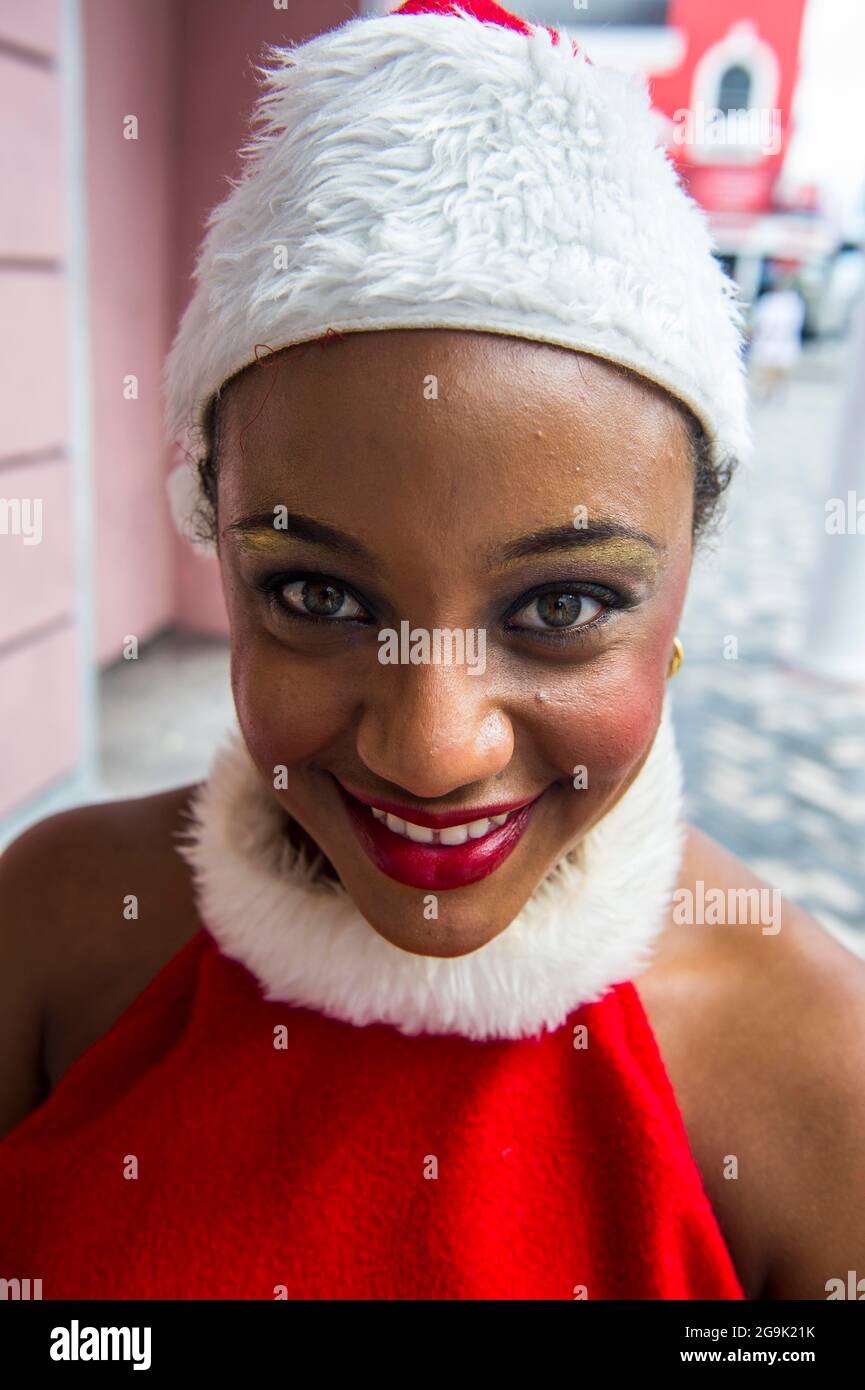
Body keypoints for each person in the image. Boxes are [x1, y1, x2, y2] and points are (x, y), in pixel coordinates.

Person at [1, 0, 863, 1302]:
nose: (432, 745)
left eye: (560, 608)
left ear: (689, 576)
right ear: (214, 546)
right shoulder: (56, 926)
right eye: (315, 594)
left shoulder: (815, 1071)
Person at [748, 275, 806, 400]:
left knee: (776, 375)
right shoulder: (770, 302)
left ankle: (771, 394)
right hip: (769, 345)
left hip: (779, 345)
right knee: (766, 375)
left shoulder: (791, 303)